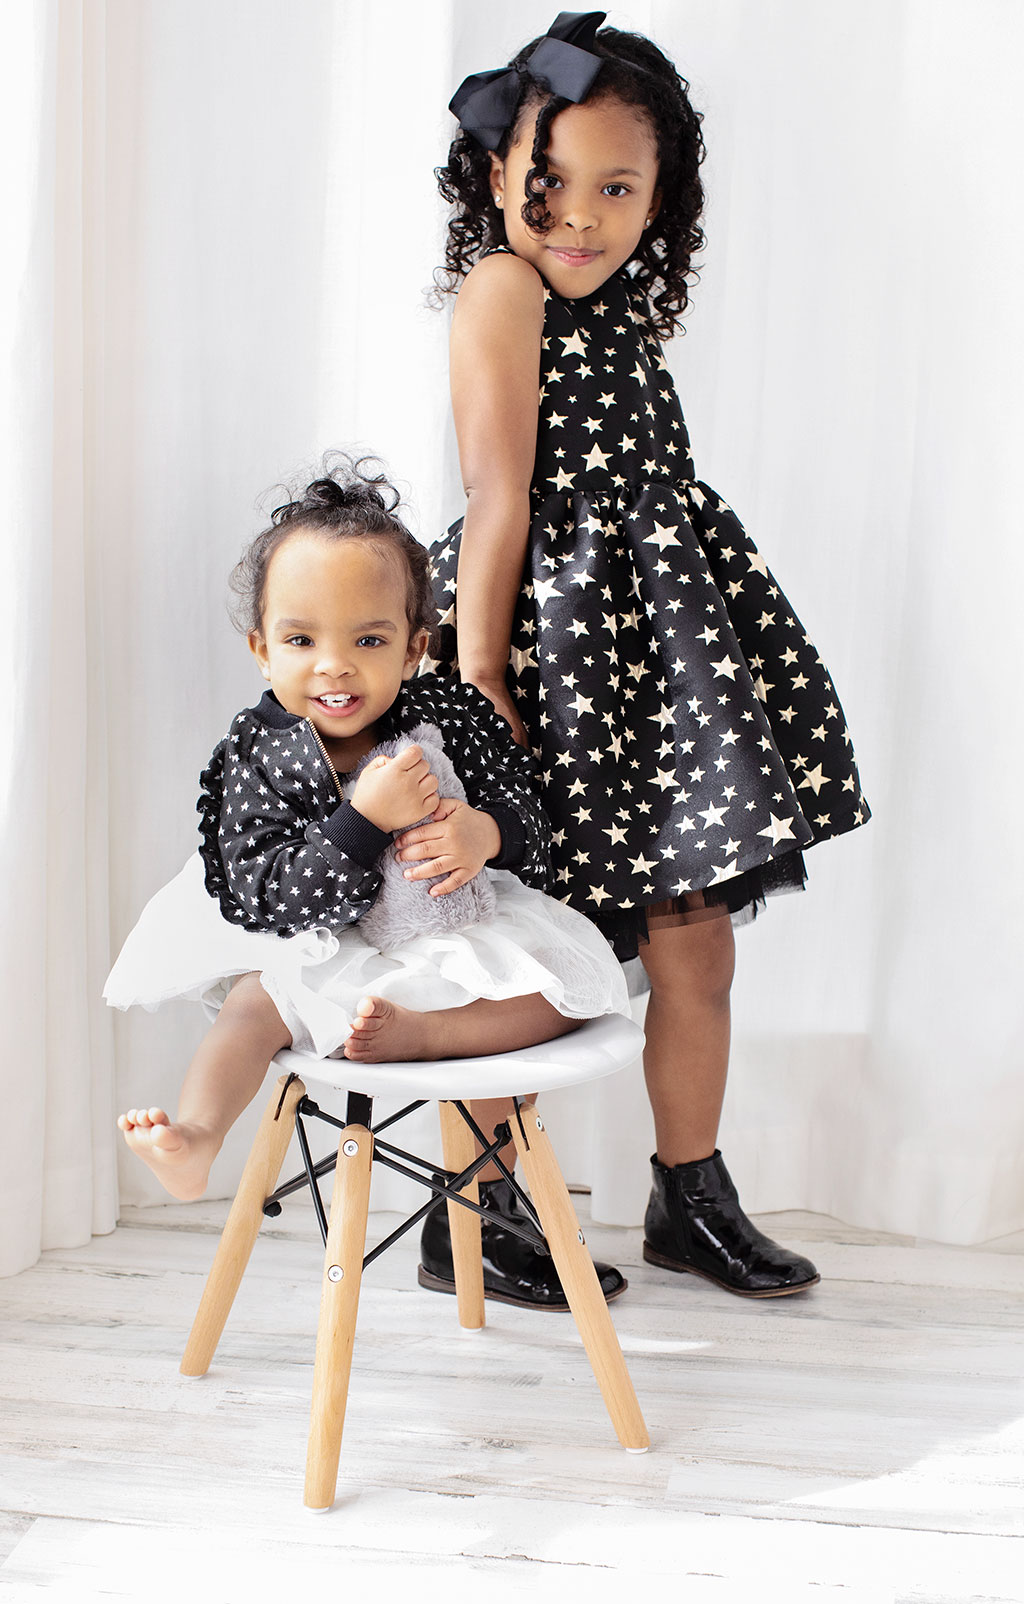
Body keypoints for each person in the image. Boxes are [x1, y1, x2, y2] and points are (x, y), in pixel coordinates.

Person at [424, 11, 871, 1301]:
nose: (577, 217)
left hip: (655, 656)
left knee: (696, 943)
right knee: (517, 941)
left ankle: (691, 1190)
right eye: (546, 184)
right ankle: (483, 1205)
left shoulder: (618, 304)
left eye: (615, 188)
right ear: (495, 176)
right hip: (548, 651)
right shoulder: (501, 288)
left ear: (660, 194)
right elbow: (500, 498)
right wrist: (488, 678)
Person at [105, 459, 630, 1275]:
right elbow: (269, 898)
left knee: (561, 991)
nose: (334, 666)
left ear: (416, 648)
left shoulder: (449, 714)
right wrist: (361, 821)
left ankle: (445, 1073)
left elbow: (532, 820)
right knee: (253, 1005)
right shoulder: (260, 752)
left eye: (370, 640)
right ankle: (198, 1137)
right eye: (302, 640)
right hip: (322, 950)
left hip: (449, 938)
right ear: (261, 648)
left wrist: (484, 835)